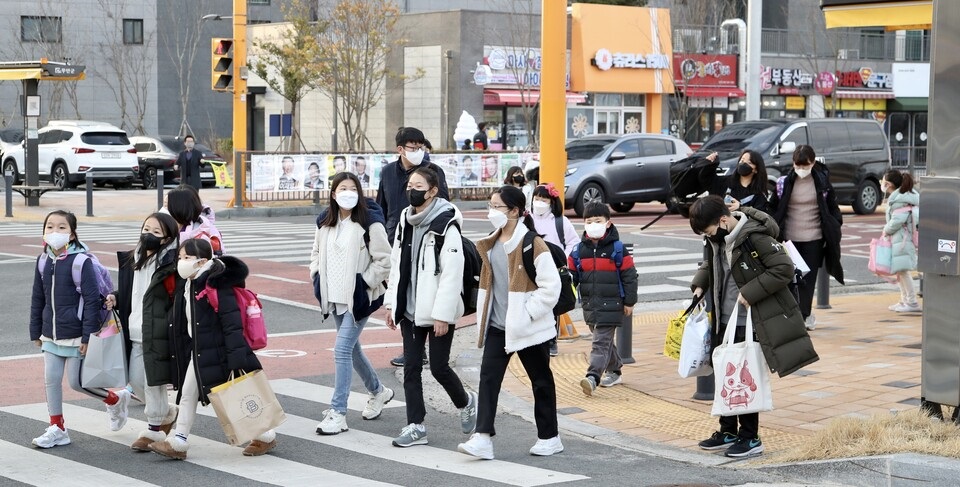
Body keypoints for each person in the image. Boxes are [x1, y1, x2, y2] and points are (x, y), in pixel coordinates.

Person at [688, 195, 817, 458]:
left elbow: (783, 268)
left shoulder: (754, 238)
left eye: (709, 231)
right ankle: (727, 431)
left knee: (744, 378)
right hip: (724, 316)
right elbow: (712, 263)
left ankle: (750, 437)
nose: (708, 236)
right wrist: (700, 283)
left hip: (749, 319)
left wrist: (750, 292)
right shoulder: (717, 239)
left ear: (723, 220)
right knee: (725, 374)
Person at [457, 185, 562, 460]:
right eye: (490, 206)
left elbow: (551, 287)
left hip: (528, 328)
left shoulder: (532, 243)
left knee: (540, 381)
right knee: (488, 379)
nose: (492, 211)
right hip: (497, 326)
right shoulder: (491, 243)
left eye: (497, 207)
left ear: (514, 211)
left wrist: (526, 314)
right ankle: (482, 437)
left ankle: (550, 437)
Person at [149, 238, 276, 459]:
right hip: (200, 352)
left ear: (202, 261)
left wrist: (236, 358)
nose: (181, 262)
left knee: (233, 397)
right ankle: (179, 441)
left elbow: (232, 324)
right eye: (180, 257)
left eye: (187, 258)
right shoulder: (188, 283)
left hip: (221, 353)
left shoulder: (216, 284)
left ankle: (265, 435)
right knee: (188, 394)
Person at [384, 167, 478, 447]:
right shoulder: (405, 219)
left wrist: (443, 315)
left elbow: (452, 274)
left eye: (418, 186)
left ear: (433, 191)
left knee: (439, 367)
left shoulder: (446, 224)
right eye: (409, 185)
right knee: (411, 368)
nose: (411, 190)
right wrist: (391, 304)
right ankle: (416, 426)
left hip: (438, 311)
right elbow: (396, 264)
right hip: (410, 309)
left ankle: (466, 402)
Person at [29, 210, 133, 448]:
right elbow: (38, 297)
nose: (55, 231)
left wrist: (87, 336)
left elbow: (91, 300)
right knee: (51, 380)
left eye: (62, 227)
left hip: (76, 334)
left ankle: (115, 400)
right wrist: (35, 331)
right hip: (51, 333)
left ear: (72, 234)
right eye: (50, 227)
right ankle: (58, 428)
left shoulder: (81, 262)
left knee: (78, 383)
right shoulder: (43, 261)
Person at [311, 172, 394, 435]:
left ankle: (338, 412)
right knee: (352, 349)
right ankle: (378, 391)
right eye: (342, 188)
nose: (348, 193)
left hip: (358, 299)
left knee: (341, 349)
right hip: (333, 296)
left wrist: (364, 284)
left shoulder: (370, 222)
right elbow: (315, 253)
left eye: (353, 188)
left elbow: (385, 260)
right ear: (333, 194)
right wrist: (316, 276)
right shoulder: (325, 221)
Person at [106, 212, 181, 451]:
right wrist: (116, 298)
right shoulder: (133, 260)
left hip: (156, 333)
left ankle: (154, 430)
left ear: (167, 239)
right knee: (135, 381)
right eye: (146, 229)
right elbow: (132, 293)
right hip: (134, 331)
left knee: (153, 383)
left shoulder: (169, 265)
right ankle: (166, 412)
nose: (149, 234)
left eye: (156, 232)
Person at [377, 126, 449, 368]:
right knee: (402, 293)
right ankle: (412, 349)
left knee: (424, 293)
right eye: (413, 147)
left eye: (421, 147)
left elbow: (444, 205)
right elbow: (382, 207)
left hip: (425, 242)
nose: (418, 151)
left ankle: (423, 348)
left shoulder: (432, 172)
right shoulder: (388, 172)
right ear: (400, 149)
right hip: (395, 240)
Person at [767, 145, 844, 330]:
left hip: (814, 238)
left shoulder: (823, 183)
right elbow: (773, 207)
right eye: (798, 165)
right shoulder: (783, 183)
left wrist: (834, 225)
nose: (801, 169)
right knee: (789, 279)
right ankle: (795, 314)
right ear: (793, 163)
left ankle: (804, 315)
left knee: (807, 281)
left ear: (813, 162)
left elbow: (833, 208)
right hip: (789, 240)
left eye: (805, 165)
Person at [572, 202, 639, 395]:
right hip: (590, 305)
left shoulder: (617, 248)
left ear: (608, 223)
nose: (593, 225)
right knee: (604, 341)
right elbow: (572, 276)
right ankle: (615, 370)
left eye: (597, 221)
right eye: (589, 221)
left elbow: (630, 276)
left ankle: (593, 376)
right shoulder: (578, 250)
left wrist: (629, 302)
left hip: (612, 304)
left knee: (600, 342)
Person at [530, 182, 580, 356]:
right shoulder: (526, 218)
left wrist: (563, 258)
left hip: (553, 269)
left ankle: (551, 340)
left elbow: (574, 242)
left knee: (552, 304)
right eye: (536, 198)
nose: (539, 202)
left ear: (551, 202)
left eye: (543, 199)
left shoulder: (560, 221)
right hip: (531, 268)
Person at [881, 169, 921, 312]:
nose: (881, 184)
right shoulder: (902, 197)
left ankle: (912, 302)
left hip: (902, 240)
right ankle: (905, 301)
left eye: (883, 182)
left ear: (889, 184)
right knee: (900, 271)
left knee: (903, 271)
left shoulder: (899, 200)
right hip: (901, 239)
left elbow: (896, 221)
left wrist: (886, 230)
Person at [704, 150, 770, 214]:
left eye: (749, 162)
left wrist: (741, 208)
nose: (743, 164)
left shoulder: (758, 195)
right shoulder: (725, 182)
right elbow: (707, 180)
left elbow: (760, 216)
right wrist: (709, 164)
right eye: (742, 160)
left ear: (756, 170)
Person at [167, 186, 224, 256]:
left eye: (167, 205)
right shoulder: (173, 225)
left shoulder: (200, 232)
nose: (165, 209)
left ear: (177, 208)